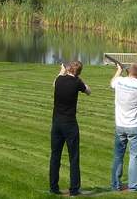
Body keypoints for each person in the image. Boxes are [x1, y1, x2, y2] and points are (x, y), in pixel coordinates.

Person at [50, 61, 91, 196]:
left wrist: (62, 71)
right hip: (70, 124)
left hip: (56, 123)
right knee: (73, 157)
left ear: (69, 69)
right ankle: (74, 189)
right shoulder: (77, 83)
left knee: (55, 156)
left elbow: (55, 82)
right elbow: (88, 91)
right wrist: (77, 76)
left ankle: (53, 187)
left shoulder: (59, 80)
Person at [110, 62, 137, 192]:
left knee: (118, 156)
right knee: (134, 157)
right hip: (135, 126)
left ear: (128, 72)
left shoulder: (119, 81)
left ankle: (115, 185)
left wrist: (119, 70)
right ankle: (133, 186)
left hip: (120, 125)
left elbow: (112, 82)